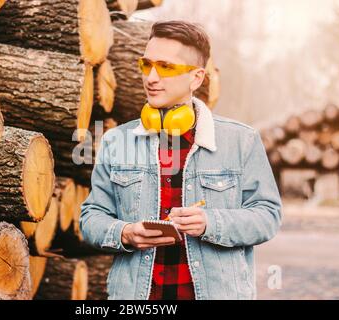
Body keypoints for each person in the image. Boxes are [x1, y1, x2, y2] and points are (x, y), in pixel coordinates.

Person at [80, 20, 282, 300]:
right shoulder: (116, 141)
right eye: (146, 65)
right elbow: (91, 217)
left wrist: (211, 222)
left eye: (166, 67)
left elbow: (268, 216)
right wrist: (124, 232)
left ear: (196, 78)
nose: (151, 77)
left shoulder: (241, 140)